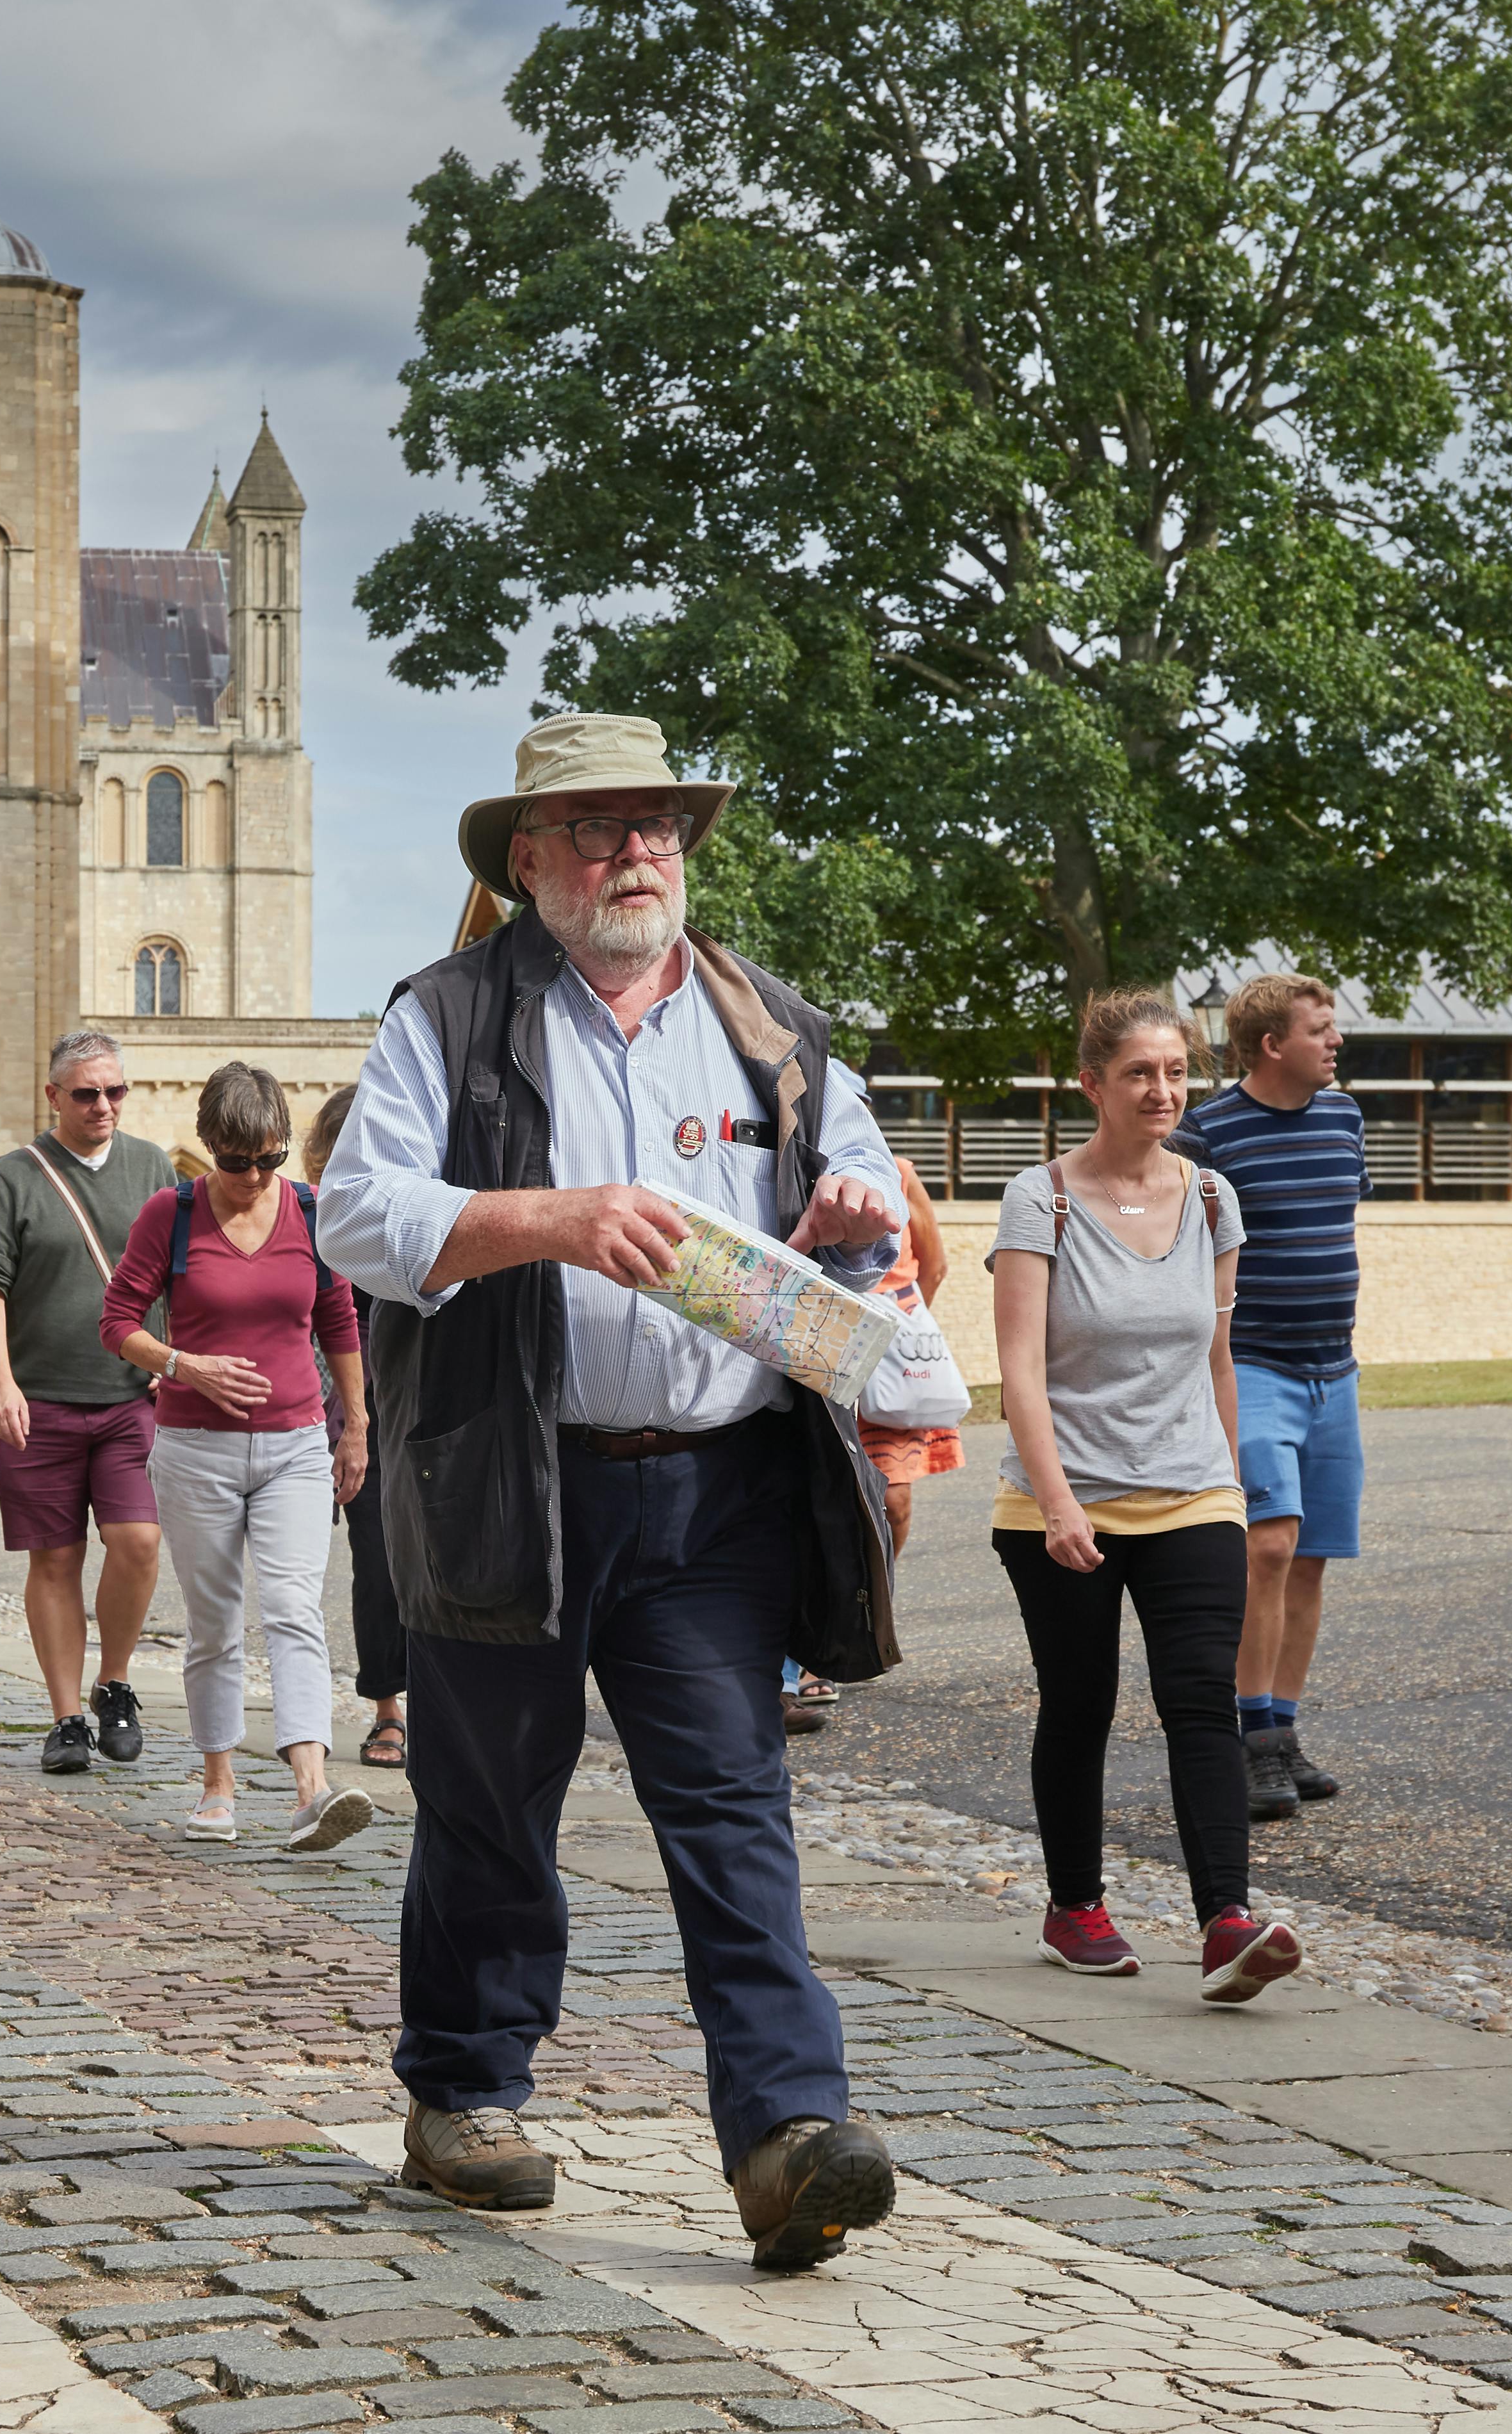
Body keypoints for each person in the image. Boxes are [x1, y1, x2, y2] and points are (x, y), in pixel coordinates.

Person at [321, 710, 906, 2273]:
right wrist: (543, 1215)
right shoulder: (444, 1014)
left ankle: (789, 2131)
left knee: (732, 1804)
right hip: (508, 1476)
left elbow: (869, 1233)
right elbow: (360, 1217)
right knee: (491, 1805)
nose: (631, 850)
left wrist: (856, 1215)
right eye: (591, 826)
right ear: (526, 859)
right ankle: (465, 2088)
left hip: (714, 1494)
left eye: (653, 823)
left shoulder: (774, 1025)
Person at [988, 988, 1304, 2005]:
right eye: (1138, 1073)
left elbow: (1215, 1355)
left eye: (1174, 1071)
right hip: (1061, 1498)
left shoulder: (1211, 1198)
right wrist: (1059, 1503)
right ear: (1092, 1084)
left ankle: (1226, 1925)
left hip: (1188, 1492)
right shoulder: (1040, 1199)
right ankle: (1072, 1906)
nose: (1161, 1089)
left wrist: (1231, 1479)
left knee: (1200, 1701)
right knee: (1079, 1704)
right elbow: (1020, 1371)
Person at [101, 1061, 373, 1852]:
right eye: (235, 1160)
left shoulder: (312, 1213)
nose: (253, 1176)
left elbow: (338, 1322)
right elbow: (116, 1321)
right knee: (215, 1624)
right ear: (208, 1147)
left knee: (293, 1610)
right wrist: (183, 1365)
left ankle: (310, 1791)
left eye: (269, 1159)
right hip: (193, 1451)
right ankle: (217, 1786)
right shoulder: (172, 1213)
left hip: (294, 1445)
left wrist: (352, 1424)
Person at [1170, 972, 1364, 1822]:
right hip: (1253, 1366)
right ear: (1270, 1046)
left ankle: (1283, 1729)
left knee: (1312, 1552)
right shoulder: (1205, 1134)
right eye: (1319, 1030)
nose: (1335, 1041)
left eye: (1333, 1028)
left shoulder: (1345, 1119)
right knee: (1268, 1547)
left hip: (1337, 1372)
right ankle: (1247, 1738)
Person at [0, 1032, 178, 1776]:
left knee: (139, 1542)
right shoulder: (12, 1176)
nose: (103, 1107)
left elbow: (178, 1276)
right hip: (42, 1399)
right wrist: (1, 1383)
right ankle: (65, 1719)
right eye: (86, 1093)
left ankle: (113, 1682)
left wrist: (170, 1354)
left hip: (129, 1398)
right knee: (53, 1558)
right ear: (52, 1096)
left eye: (114, 1091)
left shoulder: (153, 1167)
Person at [789, 1154, 957, 1733]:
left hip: (885, 1361)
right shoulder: (797, 1165)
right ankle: (804, 1649)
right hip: (818, 1353)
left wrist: (900, 1342)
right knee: (806, 1503)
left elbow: (932, 1266)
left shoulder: (902, 1174)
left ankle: (856, 1609)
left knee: (893, 1502)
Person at [302, 1086, 404, 1770]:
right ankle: (301, 1712)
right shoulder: (301, 1221)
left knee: (381, 1568)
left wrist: (357, 1422)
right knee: (295, 1577)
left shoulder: (384, 1221)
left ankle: (388, 1708)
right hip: (299, 1413)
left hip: (373, 1414)